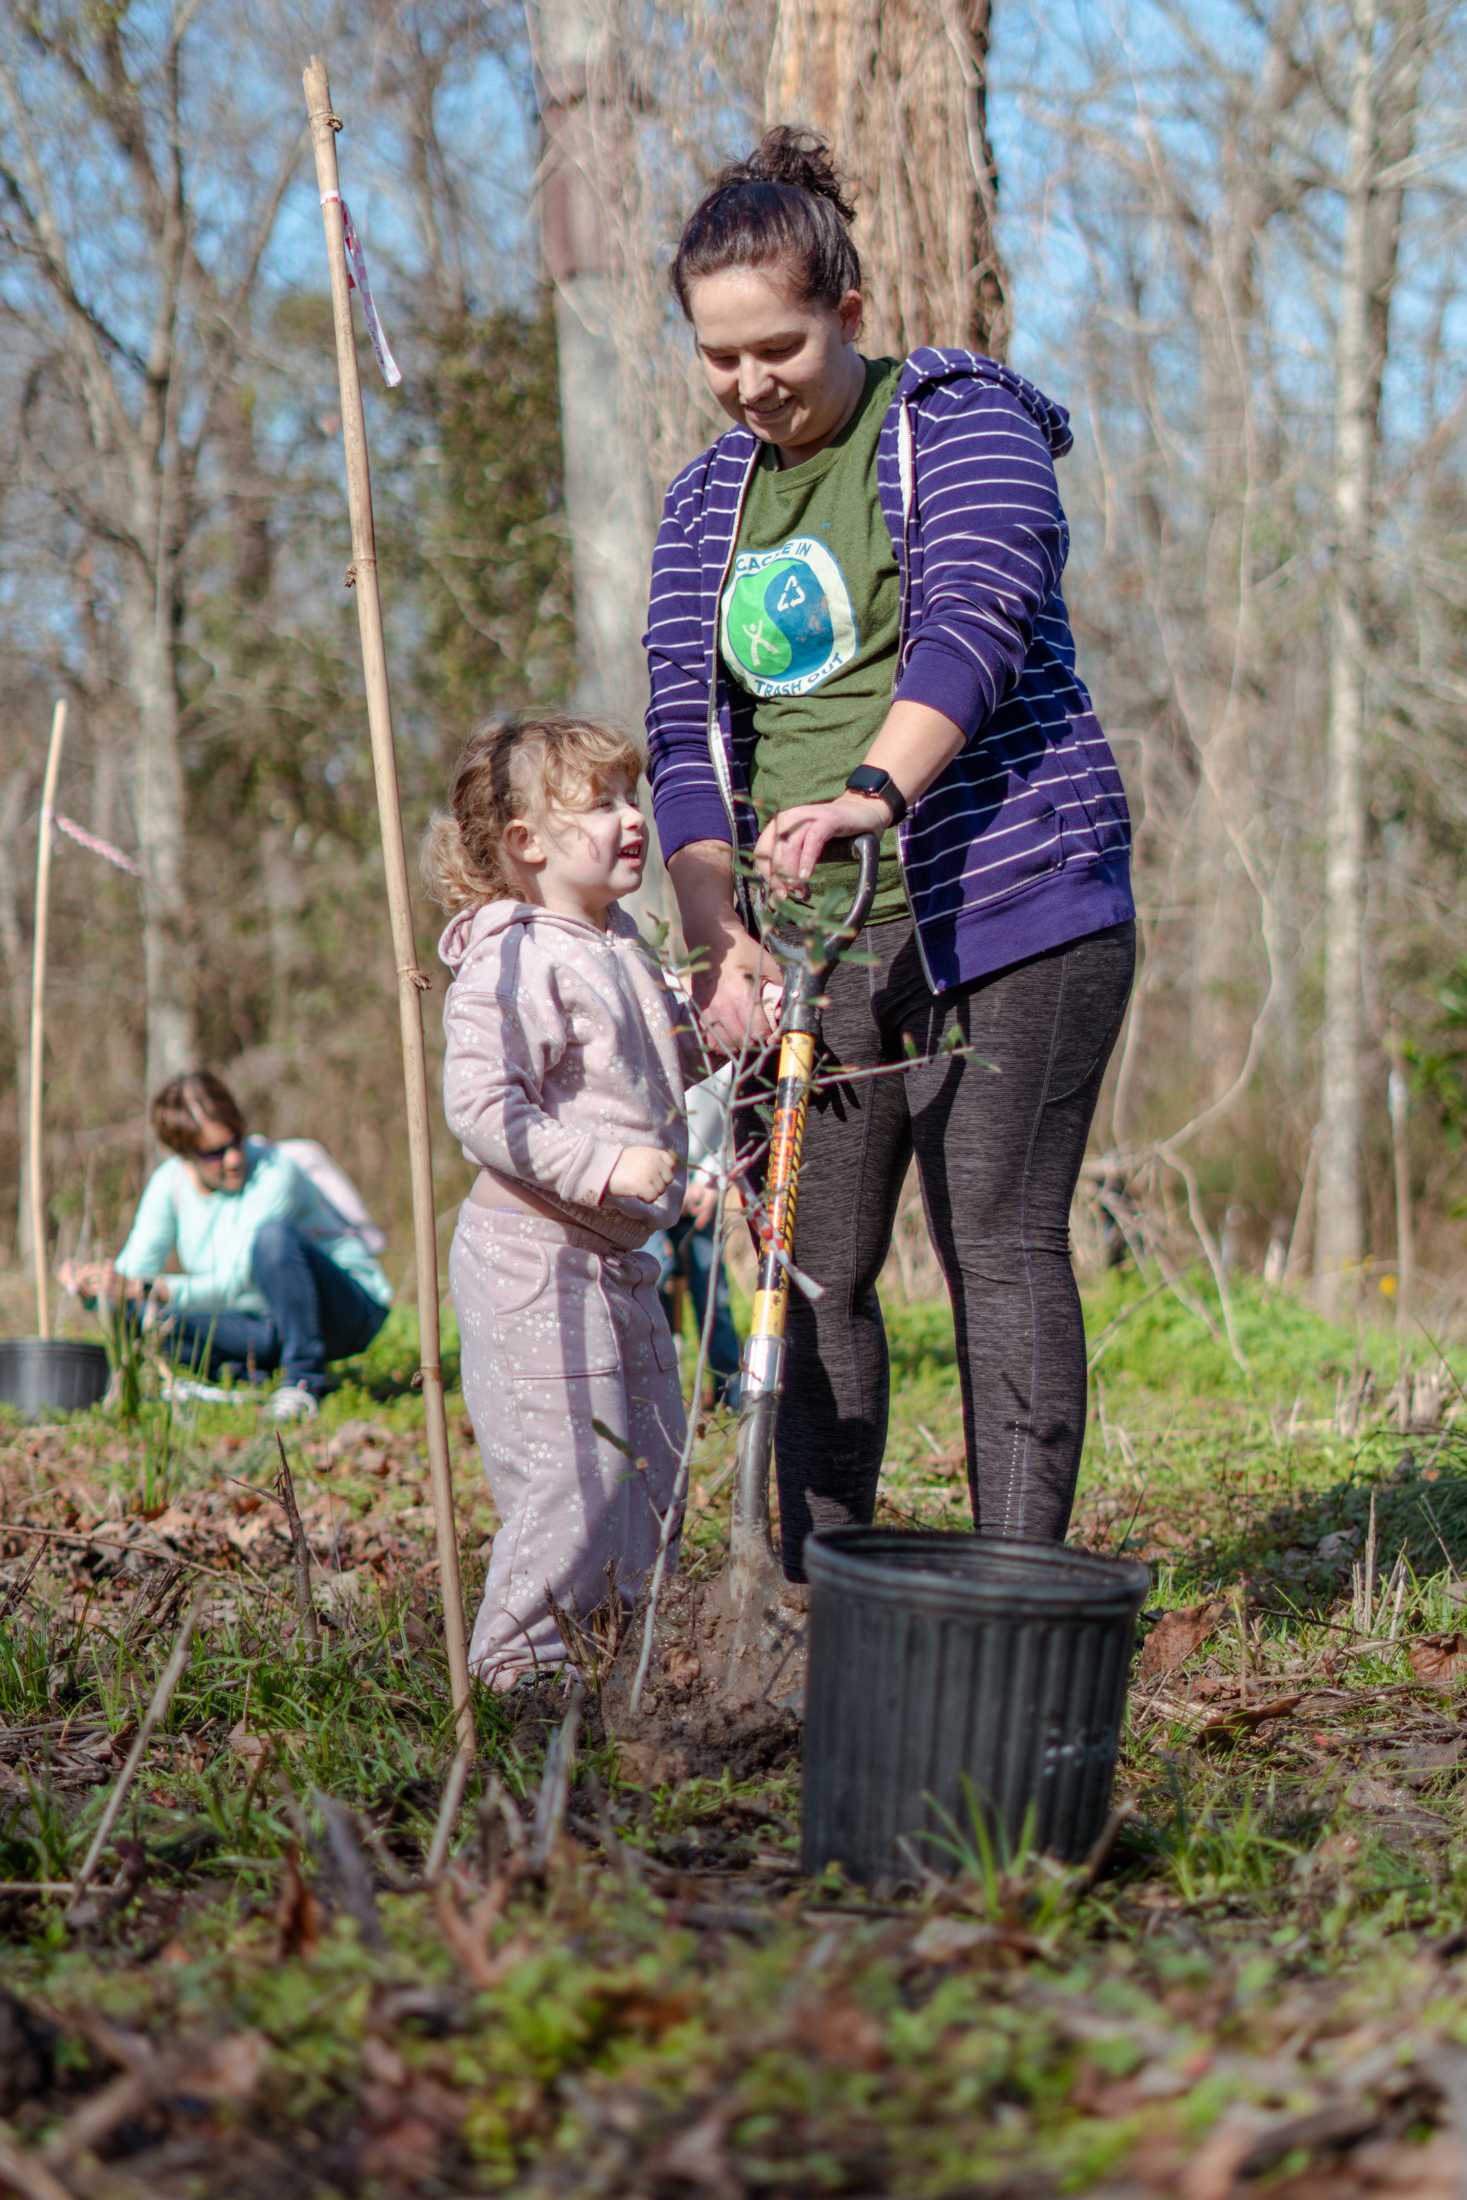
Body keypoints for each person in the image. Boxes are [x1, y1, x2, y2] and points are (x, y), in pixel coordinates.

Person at [643, 129, 1136, 1579]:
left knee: (993, 1230)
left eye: (777, 347)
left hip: (1010, 898)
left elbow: (975, 620)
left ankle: (1015, 1586)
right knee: (811, 1265)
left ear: (847, 314)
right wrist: (712, 932)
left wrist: (873, 787)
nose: (749, 385)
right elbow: (683, 731)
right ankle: (817, 1583)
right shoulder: (700, 506)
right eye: (717, 357)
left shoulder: (956, 421)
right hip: (809, 939)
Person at [425, 711, 700, 1691]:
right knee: (570, 1483)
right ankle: (515, 1675)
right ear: (526, 843)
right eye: (602, 804)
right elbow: (482, 1111)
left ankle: (618, 1658)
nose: (633, 820)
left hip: (621, 1261)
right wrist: (604, 1166)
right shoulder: (509, 959)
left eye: (633, 798)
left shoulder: (621, 942)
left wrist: (724, 1033)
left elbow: (651, 1064)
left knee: (649, 1468)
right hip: (533, 1259)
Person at [59, 1070, 392, 1421]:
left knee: (273, 1240)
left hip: (347, 1310)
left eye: (236, 1142)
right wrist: (97, 1288)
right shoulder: (168, 1184)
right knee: (139, 1316)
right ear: (184, 1153)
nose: (233, 1159)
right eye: (215, 1153)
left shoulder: (276, 1171)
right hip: (261, 1320)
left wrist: (147, 1288)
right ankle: (254, 1377)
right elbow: (133, 1274)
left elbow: (236, 1281)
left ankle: (303, 1382)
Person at [650, 1069, 743, 1408]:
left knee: (713, 1294)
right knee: (653, 1277)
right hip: (647, 1184)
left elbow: (733, 1115)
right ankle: (658, 1392)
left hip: (703, 1183)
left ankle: (729, 1395)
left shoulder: (720, 1052)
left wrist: (711, 1180)